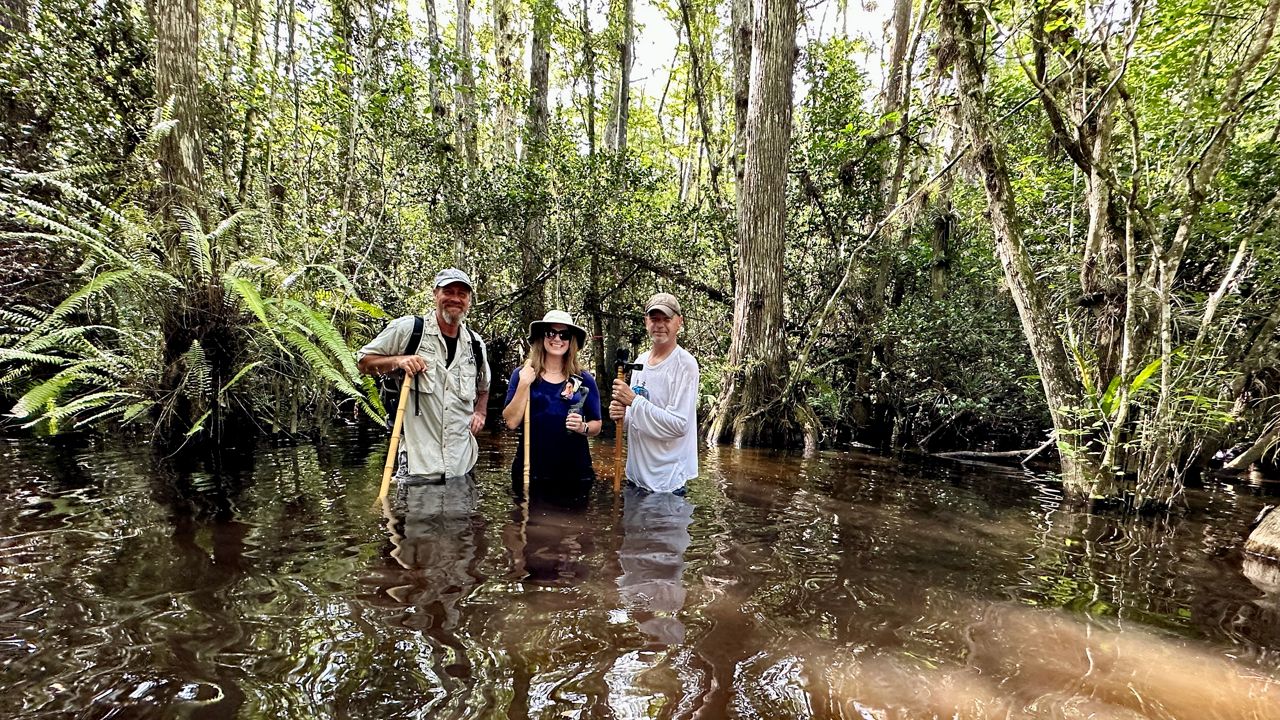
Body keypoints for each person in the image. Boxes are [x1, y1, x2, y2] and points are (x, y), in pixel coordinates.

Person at [357, 268, 490, 505]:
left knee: (462, 537)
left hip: (461, 466)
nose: (455, 299)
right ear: (435, 294)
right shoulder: (409, 330)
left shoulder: (475, 345)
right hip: (418, 467)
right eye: (448, 291)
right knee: (418, 538)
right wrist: (397, 361)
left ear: (469, 301)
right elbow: (364, 362)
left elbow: (483, 386)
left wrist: (480, 411)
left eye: (462, 294)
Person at [502, 310, 602, 497]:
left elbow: (597, 424)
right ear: (542, 337)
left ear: (571, 340)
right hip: (530, 472)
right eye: (551, 333)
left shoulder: (584, 378)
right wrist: (524, 384)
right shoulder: (523, 374)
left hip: (575, 473)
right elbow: (511, 422)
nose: (557, 339)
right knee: (529, 524)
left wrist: (583, 427)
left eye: (564, 334)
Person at [609, 292, 699, 494]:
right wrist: (621, 416)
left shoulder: (685, 364)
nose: (659, 325)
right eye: (654, 319)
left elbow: (679, 425)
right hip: (635, 479)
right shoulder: (640, 361)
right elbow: (636, 422)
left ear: (679, 322)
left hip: (667, 486)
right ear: (645, 321)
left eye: (666, 319)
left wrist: (633, 401)